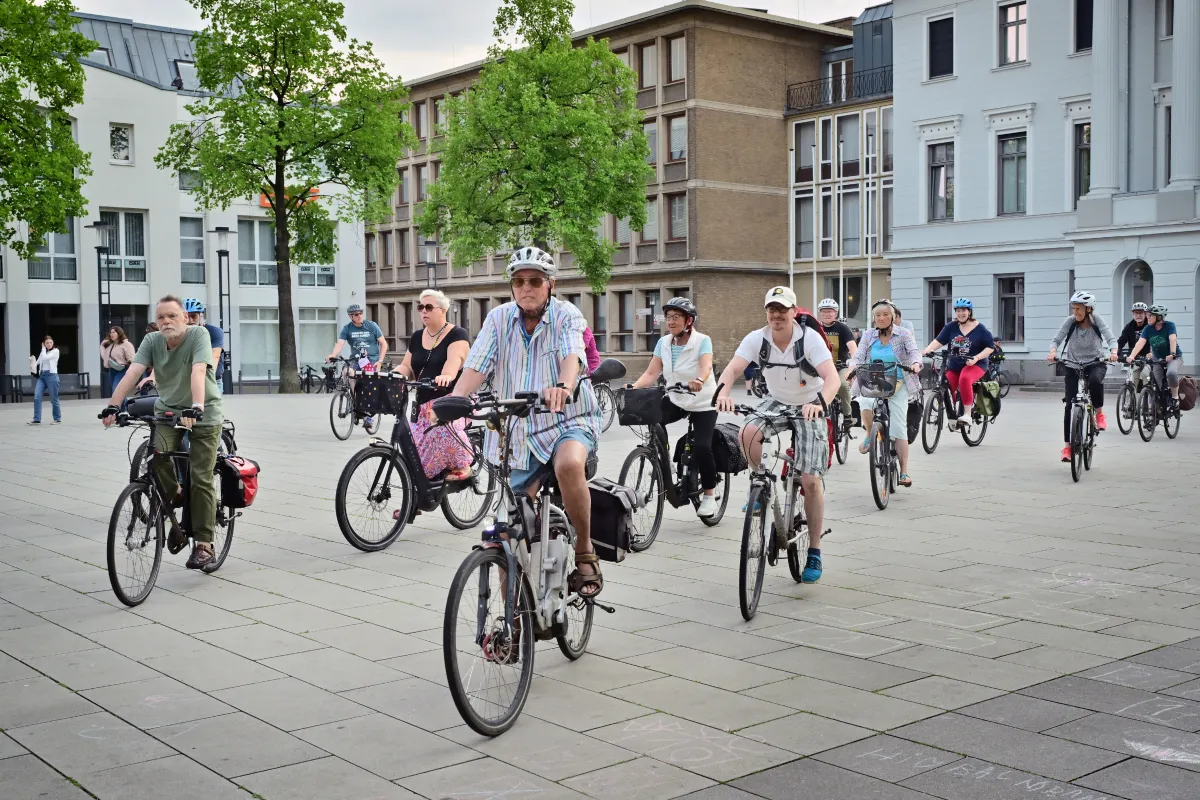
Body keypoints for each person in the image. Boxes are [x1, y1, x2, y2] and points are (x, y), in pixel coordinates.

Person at [446, 246, 604, 597]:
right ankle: (512, 627)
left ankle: (584, 550)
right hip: (518, 432)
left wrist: (564, 386)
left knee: (568, 465)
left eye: (534, 280)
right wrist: (456, 400)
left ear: (550, 285)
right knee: (506, 530)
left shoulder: (567, 315)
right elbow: (477, 364)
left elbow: (572, 355)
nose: (526, 287)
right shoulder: (498, 318)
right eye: (518, 281)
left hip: (569, 418)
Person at [714, 286, 840, 583]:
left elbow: (832, 378)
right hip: (778, 402)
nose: (776, 315)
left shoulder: (808, 339)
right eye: (771, 309)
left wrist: (819, 403)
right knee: (747, 430)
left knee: (810, 479)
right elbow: (732, 370)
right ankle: (760, 483)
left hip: (810, 403)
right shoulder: (757, 339)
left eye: (783, 310)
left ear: (794, 312)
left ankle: (815, 551)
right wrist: (722, 392)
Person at [100, 296, 225, 570]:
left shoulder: (199, 335)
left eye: (172, 316)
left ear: (184, 317)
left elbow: (199, 370)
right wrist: (113, 404)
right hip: (168, 411)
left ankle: (204, 545)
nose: (166, 321)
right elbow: (132, 373)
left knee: (201, 476)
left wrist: (196, 406)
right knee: (156, 456)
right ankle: (176, 493)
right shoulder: (153, 341)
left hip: (203, 413)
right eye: (161, 318)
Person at [628, 297, 720, 519]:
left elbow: (706, 366)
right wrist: (634, 386)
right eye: (668, 318)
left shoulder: (702, 341)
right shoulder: (663, 343)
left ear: (689, 321)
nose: (670, 322)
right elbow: (651, 373)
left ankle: (709, 494)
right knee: (653, 417)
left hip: (702, 400)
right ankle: (662, 458)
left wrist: (699, 378)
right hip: (677, 397)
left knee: (701, 447)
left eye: (676, 318)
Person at [395, 289, 473, 480]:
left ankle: (464, 465)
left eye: (429, 307)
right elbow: (407, 366)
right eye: (420, 307)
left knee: (442, 429)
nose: (423, 311)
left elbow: (455, 360)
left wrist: (446, 375)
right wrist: (394, 374)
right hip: (421, 404)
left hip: (450, 400)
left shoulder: (457, 334)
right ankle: (415, 500)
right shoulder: (416, 337)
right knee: (413, 451)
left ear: (443, 309)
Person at [852, 300, 922, 486]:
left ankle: (904, 472)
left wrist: (915, 364)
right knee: (864, 402)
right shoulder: (868, 335)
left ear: (893, 317)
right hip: (875, 378)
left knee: (899, 426)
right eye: (878, 315)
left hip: (899, 379)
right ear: (874, 318)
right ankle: (869, 435)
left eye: (886, 314)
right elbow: (858, 356)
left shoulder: (904, 334)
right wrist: (853, 369)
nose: (882, 318)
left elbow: (914, 352)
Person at [1048, 291, 1118, 461]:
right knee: (1069, 405)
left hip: (1095, 362)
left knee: (1095, 380)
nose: (1075, 312)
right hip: (1073, 364)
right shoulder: (1070, 322)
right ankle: (1067, 448)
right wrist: (1053, 351)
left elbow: (1110, 337)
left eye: (1079, 309)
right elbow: (1057, 339)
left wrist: (1114, 351)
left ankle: (1099, 414)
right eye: (1074, 308)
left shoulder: (1096, 321)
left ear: (1088, 309)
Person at [920, 298, 996, 431]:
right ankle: (953, 416)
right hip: (955, 364)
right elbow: (938, 341)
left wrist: (976, 358)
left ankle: (967, 414)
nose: (960, 313)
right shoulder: (951, 327)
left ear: (969, 312)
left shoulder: (980, 329)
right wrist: (927, 350)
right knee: (947, 386)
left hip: (975, 365)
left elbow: (990, 347)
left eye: (964, 311)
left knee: (965, 379)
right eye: (958, 311)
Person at [327, 303, 388, 427]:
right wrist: (332, 354)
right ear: (351, 316)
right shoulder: (347, 329)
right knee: (346, 372)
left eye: (360, 313)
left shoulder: (371, 326)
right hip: (356, 360)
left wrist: (380, 361)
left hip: (371, 359)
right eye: (356, 314)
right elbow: (340, 344)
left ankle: (367, 413)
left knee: (368, 383)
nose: (359, 316)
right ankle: (353, 398)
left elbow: (384, 344)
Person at [1127, 304, 1184, 410]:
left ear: (1159, 317)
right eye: (1147, 315)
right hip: (1157, 359)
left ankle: (1175, 397)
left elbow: (1172, 339)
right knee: (1156, 385)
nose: (1147, 317)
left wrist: (1172, 354)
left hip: (1174, 358)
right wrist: (1131, 356)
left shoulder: (1170, 325)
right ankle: (1155, 413)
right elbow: (1140, 343)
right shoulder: (1147, 329)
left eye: (1150, 315)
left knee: (1171, 373)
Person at [816, 299, 858, 430]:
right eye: (824, 311)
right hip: (820, 367)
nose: (827, 314)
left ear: (836, 313)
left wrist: (853, 366)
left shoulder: (842, 328)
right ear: (820, 313)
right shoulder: (815, 328)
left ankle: (847, 416)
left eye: (830, 311)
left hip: (840, 366)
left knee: (844, 385)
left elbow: (853, 348)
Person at [183, 299, 225, 391]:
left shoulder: (214, 332)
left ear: (201, 316)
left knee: (208, 405)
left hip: (211, 379)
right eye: (186, 317)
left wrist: (205, 380)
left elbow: (215, 356)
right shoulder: (179, 334)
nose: (190, 320)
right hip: (185, 380)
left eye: (194, 316)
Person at [28, 335, 62, 425]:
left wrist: (43, 348)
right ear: (44, 343)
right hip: (42, 376)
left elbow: (45, 358)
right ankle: (36, 419)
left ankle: (57, 419)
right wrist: (32, 364)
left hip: (52, 376)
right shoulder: (43, 352)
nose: (49, 344)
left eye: (51, 342)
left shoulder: (55, 351)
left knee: (54, 398)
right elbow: (38, 362)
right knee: (37, 397)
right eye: (47, 343)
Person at [1118, 302, 1151, 391]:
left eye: (1141, 313)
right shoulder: (1129, 326)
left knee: (1145, 375)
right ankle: (1131, 401)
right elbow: (1121, 340)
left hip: (1147, 358)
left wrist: (1151, 353)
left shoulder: (1149, 326)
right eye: (1136, 313)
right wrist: (1116, 352)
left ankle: (1147, 398)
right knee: (1131, 379)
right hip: (1134, 357)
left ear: (1145, 314)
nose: (1138, 315)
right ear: (1133, 314)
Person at [101, 326, 136, 396]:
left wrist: (131, 370)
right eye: (110, 332)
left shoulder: (126, 344)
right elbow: (105, 358)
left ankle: (124, 406)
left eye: (114, 332)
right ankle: (124, 406)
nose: (111, 334)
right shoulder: (111, 346)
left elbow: (132, 358)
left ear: (119, 333)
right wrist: (101, 346)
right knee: (117, 392)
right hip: (112, 370)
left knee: (116, 390)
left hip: (123, 370)